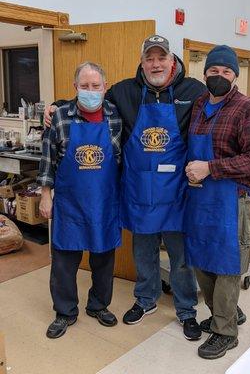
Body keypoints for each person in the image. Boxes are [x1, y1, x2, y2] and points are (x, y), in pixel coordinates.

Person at [45, 35, 207, 341]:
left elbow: (219, 104)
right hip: (139, 191)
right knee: (143, 251)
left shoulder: (193, 90)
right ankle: (146, 300)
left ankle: (187, 310)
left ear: (172, 60)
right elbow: (85, 100)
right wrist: (57, 106)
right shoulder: (124, 91)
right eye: (150, 58)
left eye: (161, 58)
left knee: (180, 255)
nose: (156, 64)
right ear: (142, 62)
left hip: (175, 191)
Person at [185, 45, 250, 359]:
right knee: (202, 261)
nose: (219, 76)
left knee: (228, 265)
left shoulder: (246, 109)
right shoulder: (199, 105)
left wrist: (211, 168)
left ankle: (225, 332)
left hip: (230, 200)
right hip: (199, 197)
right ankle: (224, 312)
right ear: (204, 73)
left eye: (226, 72)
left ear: (235, 76)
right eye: (213, 71)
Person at [37, 62, 122, 339]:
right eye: (84, 86)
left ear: (105, 87)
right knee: (64, 260)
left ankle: (98, 306)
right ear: (75, 88)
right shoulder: (60, 116)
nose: (90, 91)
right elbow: (48, 160)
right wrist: (45, 196)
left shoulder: (116, 115)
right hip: (70, 203)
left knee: (104, 259)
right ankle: (65, 311)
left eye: (95, 86)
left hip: (105, 202)